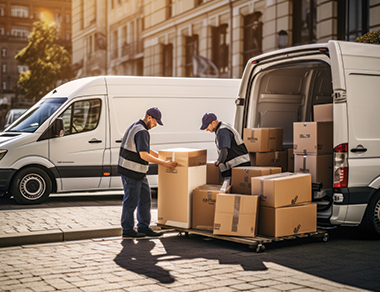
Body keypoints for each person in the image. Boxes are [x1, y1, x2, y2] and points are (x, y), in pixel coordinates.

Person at [118, 107, 177, 238]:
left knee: (145, 199)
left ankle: (143, 227)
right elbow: (144, 155)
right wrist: (164, 163)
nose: (156, 125)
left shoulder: (136, 126)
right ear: (149, 117)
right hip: (132, 172)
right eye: (156, 122)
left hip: (137, 172)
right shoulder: (142, 131)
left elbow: (145, 148)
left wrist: (161, 156)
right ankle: (127, 230)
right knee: (131, 201)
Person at [200, 112, 250, 189]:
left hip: (239, 166)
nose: (207, 129)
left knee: (238, 190)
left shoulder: (222, 131)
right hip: (238, 166)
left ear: (214, 123)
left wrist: (219, 161)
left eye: (207, 126)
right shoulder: (223, 128)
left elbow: (224, 149)